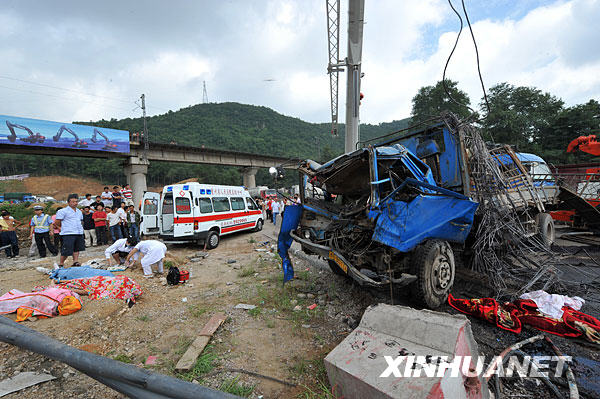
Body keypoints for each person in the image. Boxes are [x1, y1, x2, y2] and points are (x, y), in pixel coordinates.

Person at [54, 194, 85, 267]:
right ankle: (61, 263)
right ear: (68, 202)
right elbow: (57, 222)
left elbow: (80, 221)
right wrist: (60, 228)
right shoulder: (63, 211)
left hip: (78, 232)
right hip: (68, 233)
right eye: (73, 202)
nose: (75, 203)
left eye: (76, 201)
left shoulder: (79, 211)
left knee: (77, 248)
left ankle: (75, 261)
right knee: (66, 250)